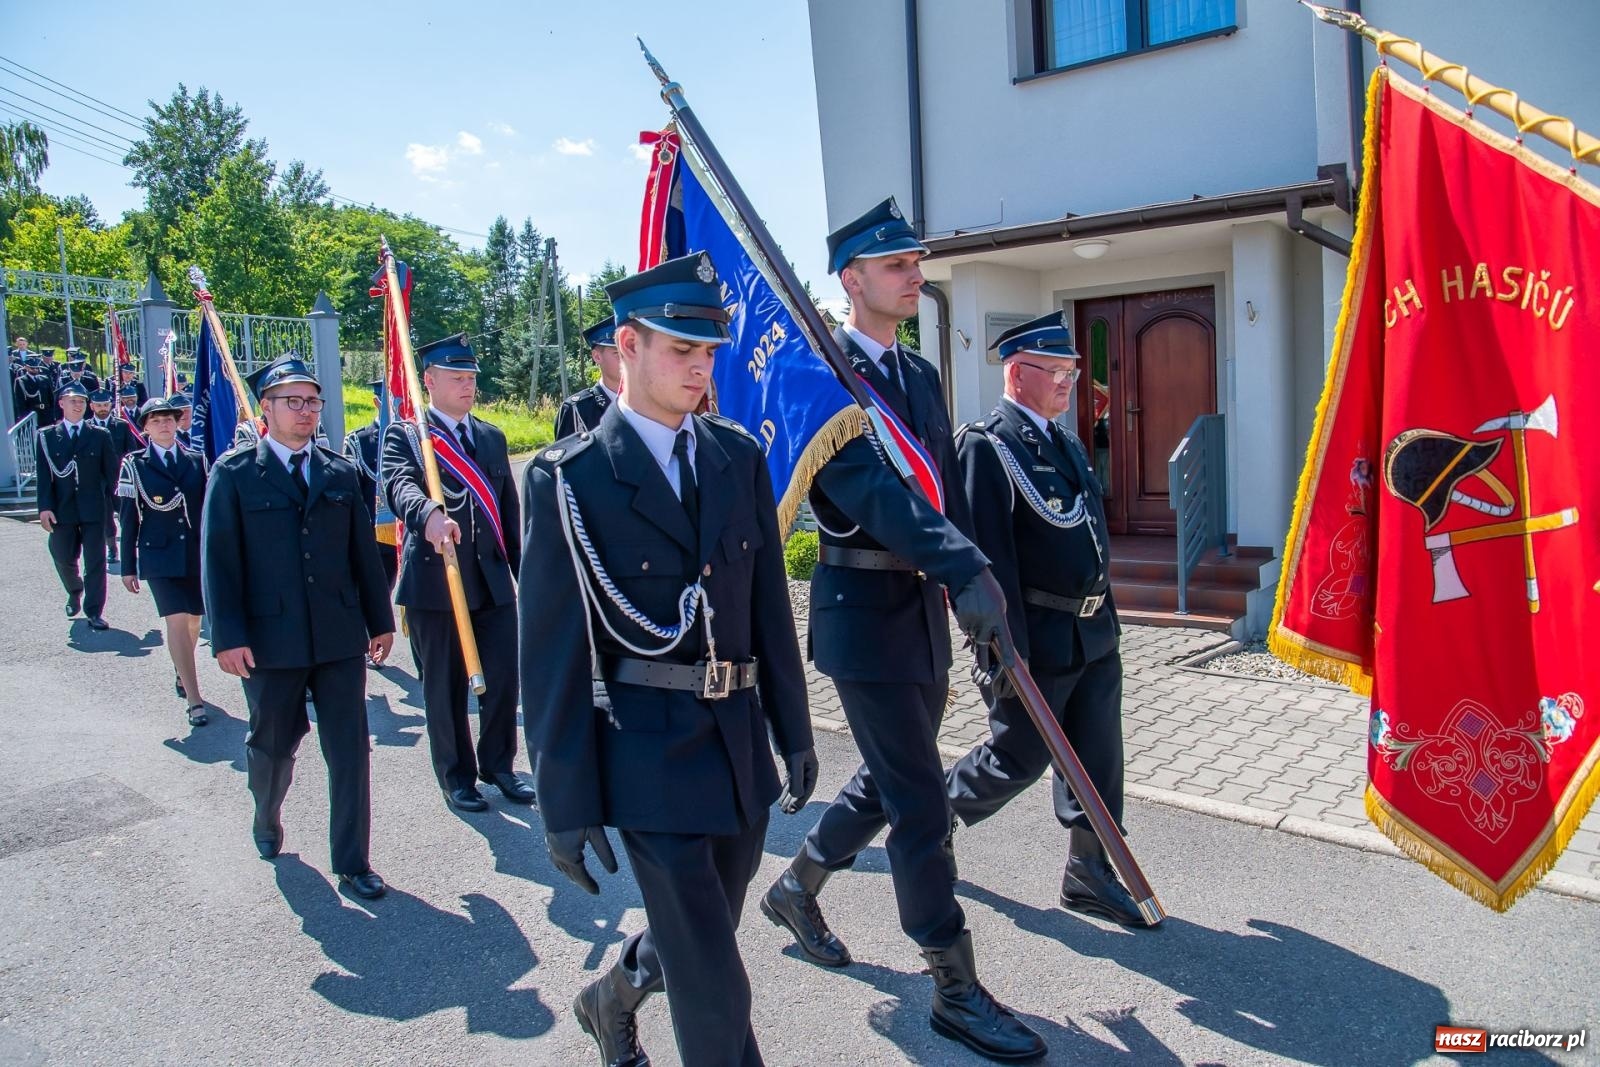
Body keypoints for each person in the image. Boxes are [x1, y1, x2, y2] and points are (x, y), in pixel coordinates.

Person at [759, 198, 1045, 1061]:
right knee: (922, 802)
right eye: (894, 265)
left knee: (891, 780)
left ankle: (798, 884)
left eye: (915, 262)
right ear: (851, 281)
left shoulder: (918, 375)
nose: (913, 275)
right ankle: (953, 984)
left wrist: (977, 591)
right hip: (863, 618)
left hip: (921, 611)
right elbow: (872, 498)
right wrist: (964, 568)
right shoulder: (819, 372)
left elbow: (944, 494)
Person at [521, 253, 817, 1067]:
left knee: (701, 933)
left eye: (709, 352)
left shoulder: (734, 456)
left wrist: (793, 729)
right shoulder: (570, 480)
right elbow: (549, 653)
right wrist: (562, 800)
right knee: (716, 982)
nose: (701, 367)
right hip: (647, 752)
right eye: (682, 349)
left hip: (736, 745)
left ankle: (610, 997)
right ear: (628, 344)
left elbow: (766, 611)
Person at [943, 311, 1141, 928]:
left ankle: (1088, 871)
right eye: (1052, 370)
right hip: (1036, 639)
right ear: (1014, 371)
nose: (1065, 382)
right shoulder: (987, 444)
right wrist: (1002, 653)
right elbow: (987, 559)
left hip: (1091, 631)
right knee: (1019, 757)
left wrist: (1107, 614)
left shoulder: (1066, 441)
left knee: (1099, 755)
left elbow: (1089, 534)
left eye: (1071, 372)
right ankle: (935, 815)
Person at [201, 354, 396, 900]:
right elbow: (220, 561)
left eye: (313, 401)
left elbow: (364, 555)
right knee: (271, 745)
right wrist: (228, 636)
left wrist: (380, 622)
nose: (306, 410)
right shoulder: (234, 474)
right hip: (269, 643)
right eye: (294, 401)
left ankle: (353, 861)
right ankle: (266, 814)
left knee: (351, 750)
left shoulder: (340, 471)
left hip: (337, 638)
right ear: (266, 409)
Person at [383, 336, 532, 811]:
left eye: (471, 378)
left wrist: (524, 576)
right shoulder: (407, 437)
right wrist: (425, 513)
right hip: (435, 585)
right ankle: (457, 776)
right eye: (457, 378)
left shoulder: (490, 437)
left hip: (490, 582)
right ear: (428, 381)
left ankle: (499, 764)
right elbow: (397, 485)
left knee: (504, 681)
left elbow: (507, 515)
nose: (467, 386)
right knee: (444, 688)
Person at [118, 396, 212, 727]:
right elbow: (130, 518)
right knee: (176, 620)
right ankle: (194, 699)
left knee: (193, 623)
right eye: (156, 420)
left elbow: (207, 509)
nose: (164, 425)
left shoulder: (196, 460)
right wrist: (128, 565)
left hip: (194, 554)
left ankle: (180, 669)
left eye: (169, 419)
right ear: (144, 428)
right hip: (159, 555)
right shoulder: (134, 464)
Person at [35, 381, 118, 630]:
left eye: (82, 401)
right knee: (62, 555)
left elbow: (111, 472)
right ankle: (74, 590)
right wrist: (45, 507)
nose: (78, 405)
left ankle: (94, 611)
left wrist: (116, 504)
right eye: (73, 401)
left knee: (95, 562)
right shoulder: (48, 437)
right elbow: (44, 477)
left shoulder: (99, 435)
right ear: (61, 403)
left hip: (93, 508)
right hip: (63, 509)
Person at [343, 379, 399, 593]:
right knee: (377, 598)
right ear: (377, 402)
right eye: (393, 400)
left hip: (411, 535)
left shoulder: (416, 438)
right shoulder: (360, 441)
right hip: (376, 538)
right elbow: (352, 494)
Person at [554, 316, 621, 437]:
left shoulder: (651, 403)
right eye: (617, 353)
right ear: (597, 357)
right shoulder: (577, 410)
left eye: (632, 351)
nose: (627, 359)